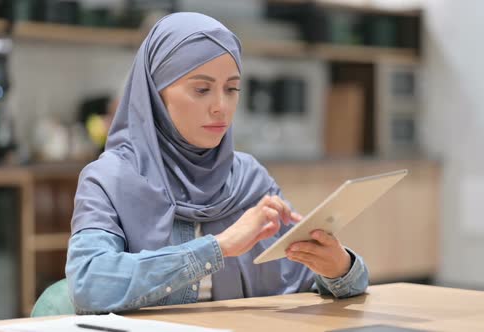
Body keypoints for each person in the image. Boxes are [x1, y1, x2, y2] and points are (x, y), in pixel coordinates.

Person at [65, 12, 369, 314]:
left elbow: (303, 283)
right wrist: (219, 248)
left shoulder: (249, 178)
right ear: (156, 95)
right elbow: (90, 284)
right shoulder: (108, 179)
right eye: (201, 89)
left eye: (231, 89)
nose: (221, 107)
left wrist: (338, 268)